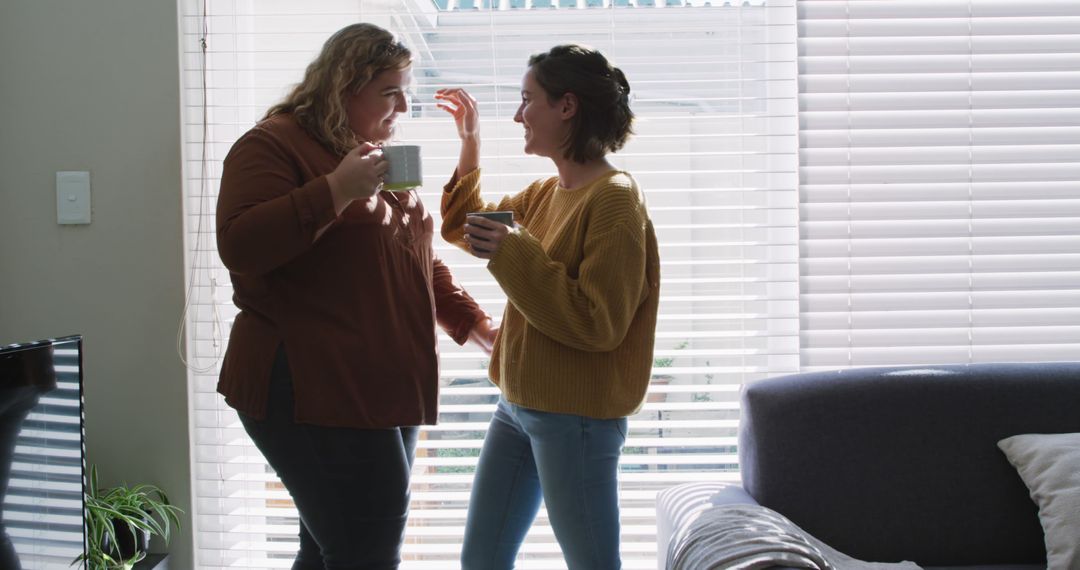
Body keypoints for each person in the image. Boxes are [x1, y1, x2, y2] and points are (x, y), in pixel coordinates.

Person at [215, 23, 496, 570]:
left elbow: (412, 256)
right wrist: (336, 190)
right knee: (364, 551)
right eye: (389, 92)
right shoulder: (273, 144)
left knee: (332, 552)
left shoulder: (368, 154)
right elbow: (241, 245)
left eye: (406, 92)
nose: (402, 107)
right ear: (345, 85)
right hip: (309, 383)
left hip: (380, 386)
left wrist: (475, 325)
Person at [435, 44, 660, 570]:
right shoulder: (545, 192)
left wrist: (513, 250)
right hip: (517, 405)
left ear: (567, 106)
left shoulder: (615, 198)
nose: (518, 115)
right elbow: (462, 223)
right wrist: (470, 141)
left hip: (575, 418)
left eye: (526, 100)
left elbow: (599, 324)